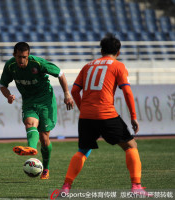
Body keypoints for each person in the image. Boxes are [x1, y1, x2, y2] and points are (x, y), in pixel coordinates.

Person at [61, 33, 151, 196]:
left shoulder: (88, 66)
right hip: (106, 114)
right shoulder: (118, 66)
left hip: (86, 117)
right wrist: (133, 116)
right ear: (118, 52)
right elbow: (127, 92)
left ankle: (66, 187)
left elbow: (74, 91)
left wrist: (84, 109)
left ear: (101, 51)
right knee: (131, 146)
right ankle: (136, 186)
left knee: (83, 150)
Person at [0, 42, 74, 179]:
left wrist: (67, 94)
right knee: (29, 123)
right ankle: (31, 148)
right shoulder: (10, 66)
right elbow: (3, 85)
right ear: (14, 55)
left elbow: (61, 74)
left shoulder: (38, 63)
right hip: (29, 101)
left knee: (44, 138)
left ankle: (46, 168)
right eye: (19, 57)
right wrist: (8, 95)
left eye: (24, 57)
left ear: (28, 55)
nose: (22, 60)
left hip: (46, 101)